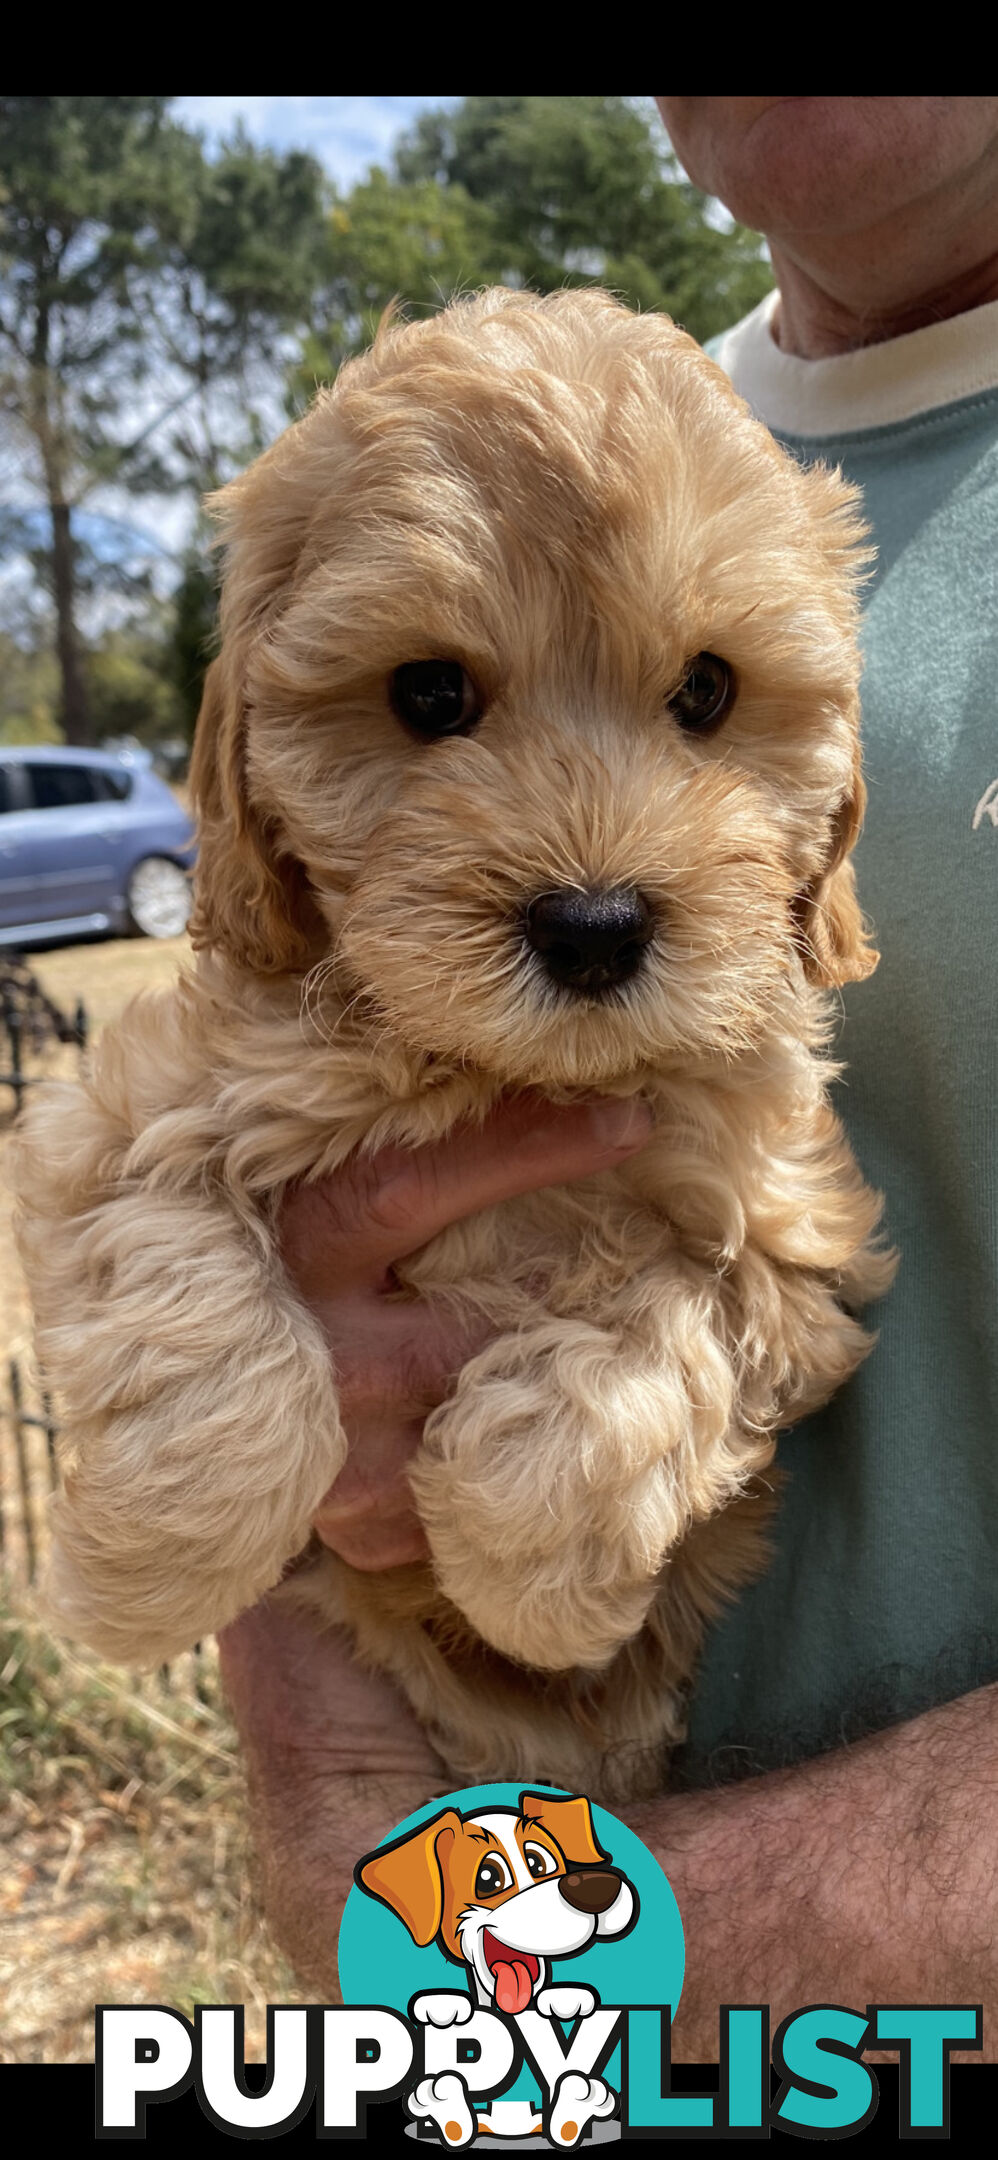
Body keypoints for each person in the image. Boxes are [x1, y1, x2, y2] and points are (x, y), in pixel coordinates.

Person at [219, 97, 998, 2054]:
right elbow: (254, 1089)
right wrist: (325, 1757)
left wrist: (567, 1972)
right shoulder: (534, 451)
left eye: (703, 699)